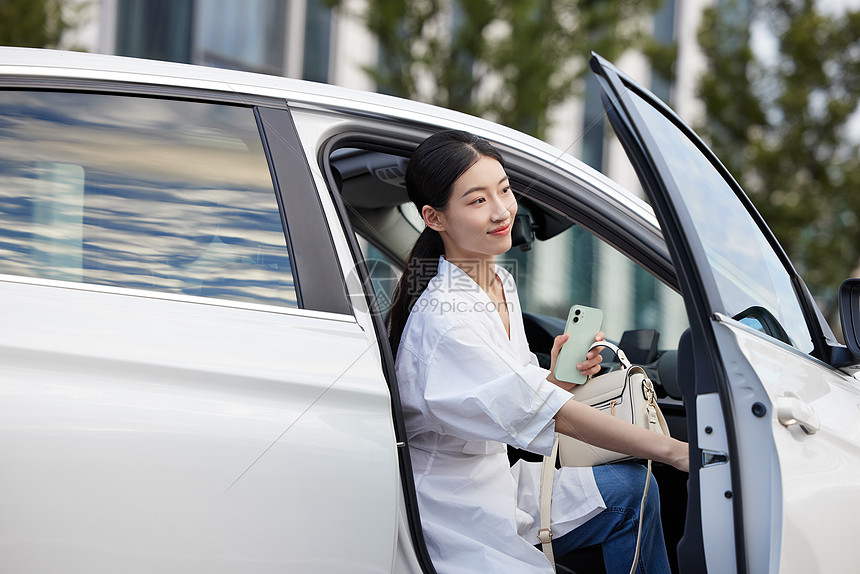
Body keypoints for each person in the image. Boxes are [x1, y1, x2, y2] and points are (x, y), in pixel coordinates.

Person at [389, 130, 689, 574]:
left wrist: (562, 376)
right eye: (476, 201)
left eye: (505, 190)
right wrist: (675, 451)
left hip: (497, 483)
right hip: (451, 511)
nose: (501, 211)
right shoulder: (445, 318)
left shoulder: (496, 281)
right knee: (646, 475)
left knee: (632, 491)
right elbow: (552, 414)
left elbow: (522, 400)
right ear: (435, 218)